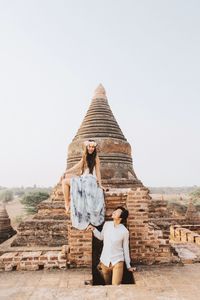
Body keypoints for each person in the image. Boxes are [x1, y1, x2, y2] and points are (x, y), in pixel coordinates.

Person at [62, 139, 105, 230]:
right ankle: (67, 202)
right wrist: (66, 171)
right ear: (87, 147)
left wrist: (100, 184)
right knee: (65, 179)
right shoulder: (85, 156)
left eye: (93, 147)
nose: (91, 148)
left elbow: (97, 171)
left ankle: (67, 203)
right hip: (84, 178)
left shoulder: (96, 157)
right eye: (90, 146)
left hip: (90, 180)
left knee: (65, 181)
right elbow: (78, 165)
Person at [87, 206, 136, 285]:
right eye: (115, 210)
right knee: (107, 286)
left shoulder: (124, 231)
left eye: (117, 212)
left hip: (117, 261)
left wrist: (128, 266)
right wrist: (94, 229)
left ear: (120, 217)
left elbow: (126, 249)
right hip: (104, 261)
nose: (114, 212)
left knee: (115, 287)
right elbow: (101, 237)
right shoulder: (107, 225)